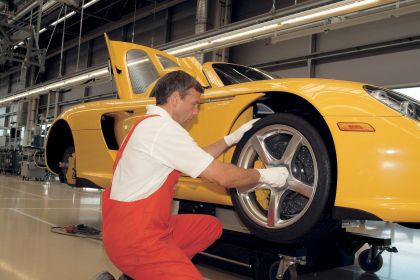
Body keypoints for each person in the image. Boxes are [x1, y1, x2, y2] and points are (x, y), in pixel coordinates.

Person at [101, 70, 289, 280]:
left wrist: (231, 139)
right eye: (194, 104)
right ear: (174, 99)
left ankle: (147, 273)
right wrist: (267, 176)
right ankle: (147, 269)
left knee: (209, 228)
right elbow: (224, 177)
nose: (196, 112)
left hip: (128, 228)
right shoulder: (163, 130)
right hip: (136, 242)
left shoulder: (149, 124)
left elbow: (198, 159)